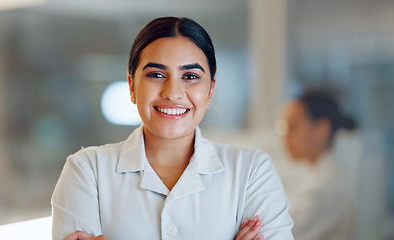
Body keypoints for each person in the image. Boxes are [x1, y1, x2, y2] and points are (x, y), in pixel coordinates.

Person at [51, 16, 294, 240]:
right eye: (156, 74)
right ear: (132, 87)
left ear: (210, 91)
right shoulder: (87, 171)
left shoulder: (251, 172)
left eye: (190, 76)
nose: (172, 93)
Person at [281, 90, 359, 240]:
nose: (285, 137)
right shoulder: (325, 174)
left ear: (322, 129)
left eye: (292, 127)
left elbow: (280, 234)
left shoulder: (327, 189)